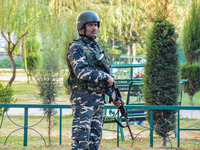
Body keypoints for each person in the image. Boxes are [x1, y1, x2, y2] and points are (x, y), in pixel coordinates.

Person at [66, 11, 121, 150]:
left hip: (98, 100)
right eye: (90, 25)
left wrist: (114, 96)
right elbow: (82, 72)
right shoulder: (76, 47)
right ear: (81, 27)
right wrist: (105, 76)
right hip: (83, 100)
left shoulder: (95, 47)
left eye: (96, 25)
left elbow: (104, 76)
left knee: (94, 141)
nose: (94, 28)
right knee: (81, 140)